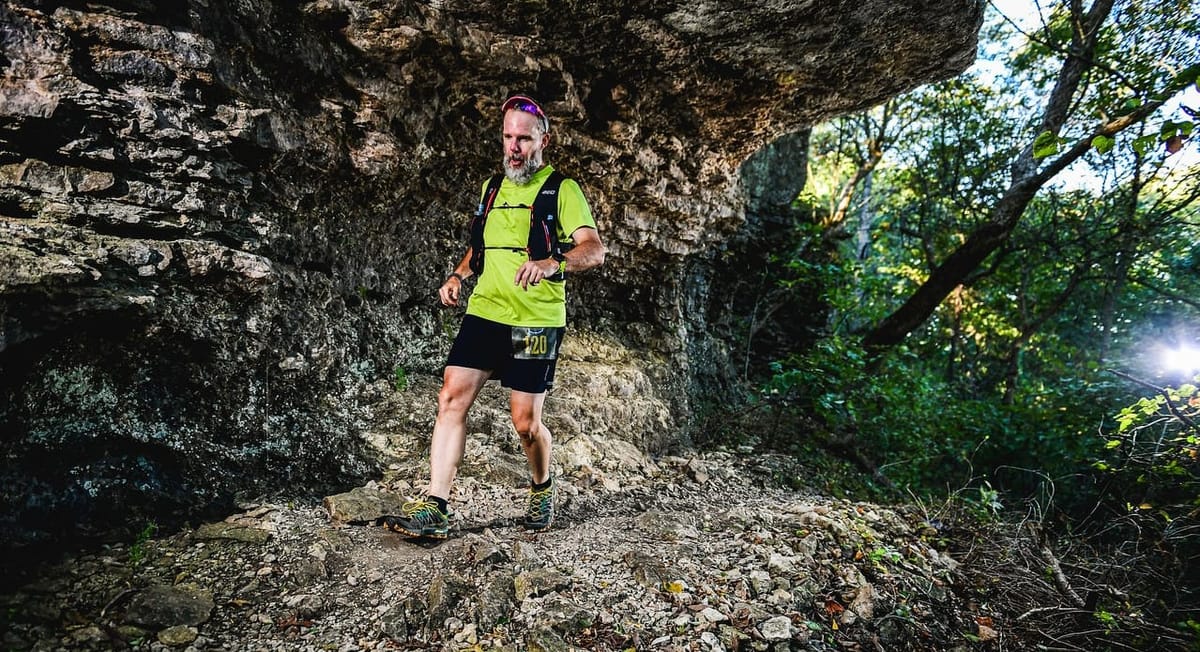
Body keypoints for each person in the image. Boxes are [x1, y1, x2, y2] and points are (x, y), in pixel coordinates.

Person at [389, 93, 605, 538]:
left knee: (525, 423)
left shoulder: (562, 189)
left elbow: (594, 250)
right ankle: (437, 505)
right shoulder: (492, 188)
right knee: (451, 397)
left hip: (536, 319)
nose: (513, 147)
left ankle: (542, 485)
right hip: (486, 310)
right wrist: (459, 274)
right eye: (507, 137)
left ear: (544, 139)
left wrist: (552, 263)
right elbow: (484, 247)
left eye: (523, 139)